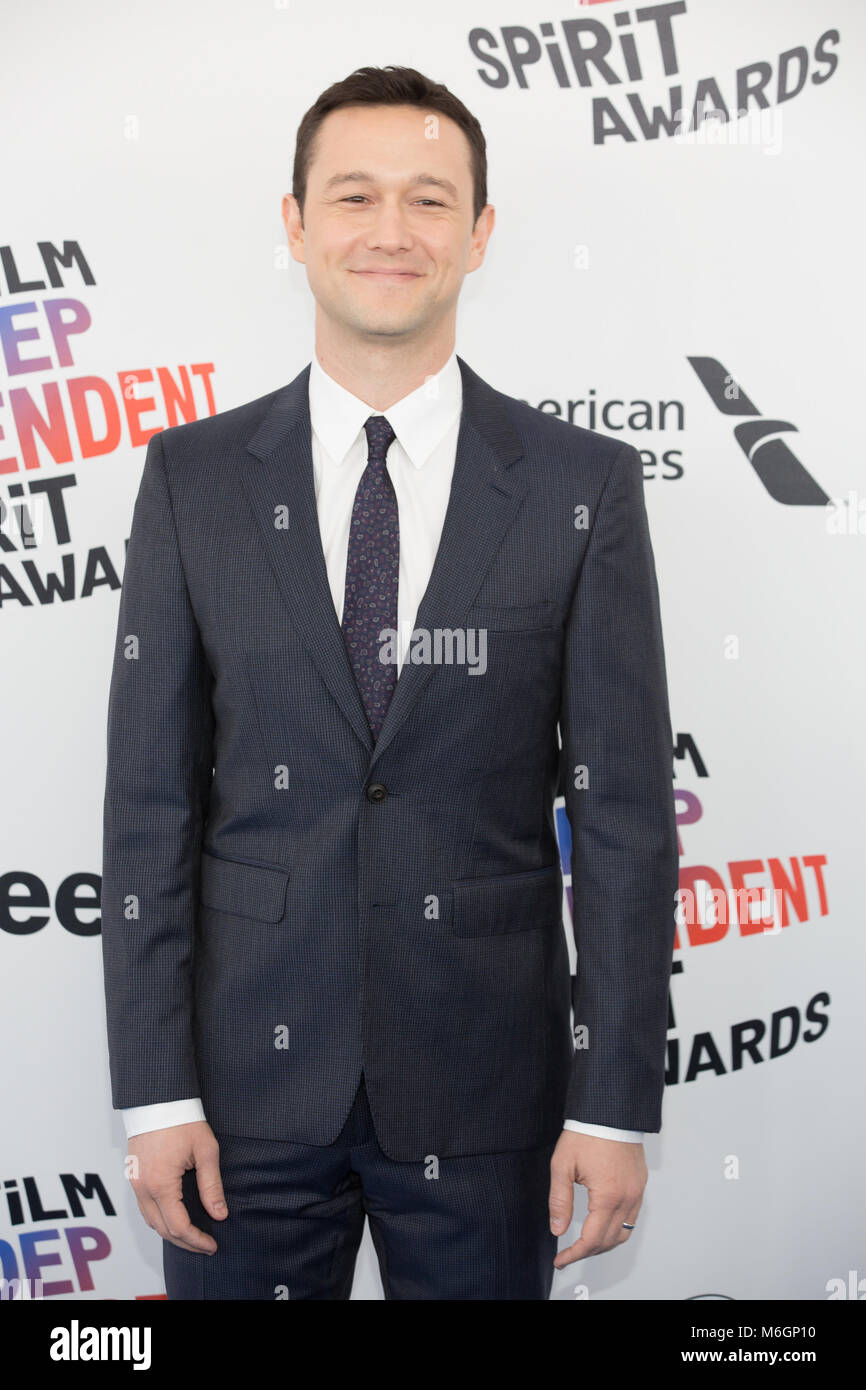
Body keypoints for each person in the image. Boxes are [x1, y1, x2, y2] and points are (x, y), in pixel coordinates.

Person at [100, 64, 679, 1301]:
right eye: (353, 194)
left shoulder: (583, 484)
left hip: (489, 1093)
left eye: (429, 200)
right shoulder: (190, 480)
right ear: (295, 223)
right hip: (241, 1103)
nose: (388, 229)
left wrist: (616, 1104)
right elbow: (150, 806)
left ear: (477, 235)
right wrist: (155, 1091)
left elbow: (625, 818)